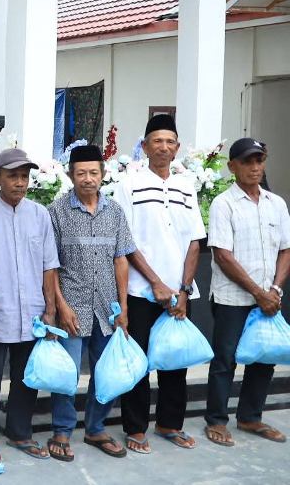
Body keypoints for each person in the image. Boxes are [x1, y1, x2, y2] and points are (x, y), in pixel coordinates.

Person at [112, 114, 205, 453]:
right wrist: (155, 282)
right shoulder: (129, 184)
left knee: (175, 360)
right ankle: (136, 428)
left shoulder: (187, 185)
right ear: (145, 146)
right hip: (140, 290)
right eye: (157, 141)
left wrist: (183, 289)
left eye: (170, 142)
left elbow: (195, 240)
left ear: (177, 148)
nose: (164, 147)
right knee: (138, 362)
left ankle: (169, 423)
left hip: (179, 293)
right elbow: (124, 241)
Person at [46, 145, 136, 461]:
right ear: (71, 175)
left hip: (107, 309)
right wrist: (60, 306)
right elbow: (50, 265)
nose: (88, 179)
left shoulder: (115, 212)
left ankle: (96, 428)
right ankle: (62, 430)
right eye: (81, 173)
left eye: (93, 172)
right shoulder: (56, 212)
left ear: (103, 174)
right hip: (72, 307)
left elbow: (121, 259)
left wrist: (123, 307)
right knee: (66, 374)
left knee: (105, 372)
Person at [0, 147, 59, 462]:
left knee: (26, 377)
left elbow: (49, 265)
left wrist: (50, 310)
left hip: (33, 312)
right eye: (13, 176)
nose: (20, 182)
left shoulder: (40, 215)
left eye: (24, 176)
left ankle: (20, 432)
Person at [204, 138, 290, 446]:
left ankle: (251, 417)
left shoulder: (276, 203)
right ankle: (216, 420)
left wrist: (275, 289)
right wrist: (259, 293)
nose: (255, 167)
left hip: (269, 297)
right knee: (225, 360)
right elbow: (222, 256)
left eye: (259, 160)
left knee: (265, 357)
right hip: (233, 298)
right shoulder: (224, 204)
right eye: (247, 162)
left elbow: (286, 250)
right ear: (232, 167)